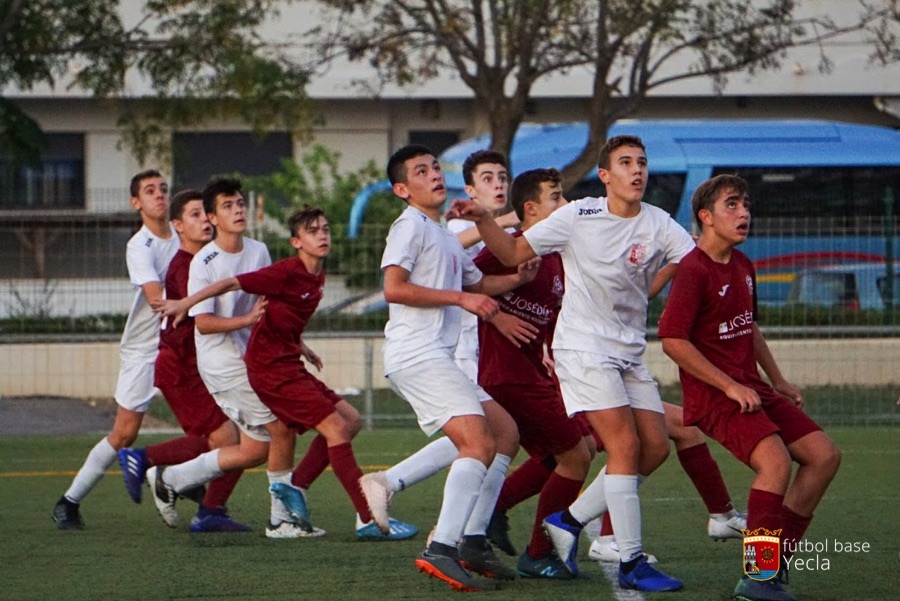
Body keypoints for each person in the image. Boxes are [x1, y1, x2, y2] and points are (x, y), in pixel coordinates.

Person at [449, 135, 690, 592]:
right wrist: (483, 219)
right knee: (618, 449)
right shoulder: (580, 216)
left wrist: (707, 253)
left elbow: (696, 268)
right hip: (582, 353)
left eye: (642, 161)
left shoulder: (658, 222)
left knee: (654, 447)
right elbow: (512, 253)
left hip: (628, 353)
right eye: (625, 162)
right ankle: (632, 559)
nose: (637, 170)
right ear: (605, 176)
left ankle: (568, 519)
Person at [154, 205, 413, 540]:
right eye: (312, 231)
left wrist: (300, 345)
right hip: (269, 370)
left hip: (288, 363)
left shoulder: (316, 273)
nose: (322, 235)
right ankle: (366, 519)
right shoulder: (285, 272)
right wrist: (184, 304)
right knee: (330, 430)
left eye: (325, 229)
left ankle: (296, 490)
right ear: (296, 241)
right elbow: (228, 284)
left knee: (350, 421)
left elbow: (281, 317)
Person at [657, 174, 841, 601]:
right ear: (706, 217)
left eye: (746, 205)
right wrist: (728, 385)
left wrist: (776, 379)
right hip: (715, 397)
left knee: (824, 457)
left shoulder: (742, 265)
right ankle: (757, 578)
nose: (745, 213)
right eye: (733, 205)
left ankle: (772, 570)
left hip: (753, 388)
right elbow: (672, 341)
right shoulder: (692, 270)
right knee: (775, 463)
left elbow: (749, 326)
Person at [369, 144, 542, 592]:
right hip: (416, 355)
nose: (433, 174)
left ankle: (471, 540)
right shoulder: (408, 226)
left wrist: (518, 280)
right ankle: (442, 547)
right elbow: (393, 288)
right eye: (421, 171)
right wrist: (464, 300)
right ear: (402, 189)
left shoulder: (442, 232)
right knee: (478, 441)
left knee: (504, 433)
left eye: (434, 167)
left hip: (436, 355)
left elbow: (478, 282)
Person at [143, 177, 316, 538]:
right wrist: (246, 320)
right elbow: (203, 324)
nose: (238, 210)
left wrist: (296, 344)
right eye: (228, 206)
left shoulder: (258, 250)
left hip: (251, 358)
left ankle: (171, 477)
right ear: (212, 218)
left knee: (256, 448)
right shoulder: (204, 262)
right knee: (282, 428)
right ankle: (281, 520)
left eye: (240, 204)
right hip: (221, 364)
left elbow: (266, 311)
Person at [472, 167, 594, 579]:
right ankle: (539, 552)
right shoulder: (509, 249)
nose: (567, 205)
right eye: (557, 197)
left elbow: (551, 316)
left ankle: (494, 510)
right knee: (577, 454)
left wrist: (550, 352)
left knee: (573, 451)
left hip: (530, 373)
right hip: (505, 375)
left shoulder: (557, 257)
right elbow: (463, 285)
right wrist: (496, 316)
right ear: (530, 209)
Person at [52, 170, 179, 530]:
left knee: (214, 424)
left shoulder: (185, 233)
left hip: (184, 344)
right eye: (150, 191)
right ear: (135, 202)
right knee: (125, 433)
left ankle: (191, 485)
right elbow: (157, 300)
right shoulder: (140, 246)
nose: (159, 196)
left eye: (163, 189)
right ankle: (69, 502)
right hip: (145, 348)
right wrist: (199, 302)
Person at [116, 189, 248, 532]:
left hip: (195, 368)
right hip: (182, 369)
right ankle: (149, 462)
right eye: (194, 215)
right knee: (232, 439)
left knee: (224, 441)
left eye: (206, 213)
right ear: (177, 226)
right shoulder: (184, 267)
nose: (204, 219)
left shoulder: (203, 260)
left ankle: (205, 503)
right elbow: (204, 319)